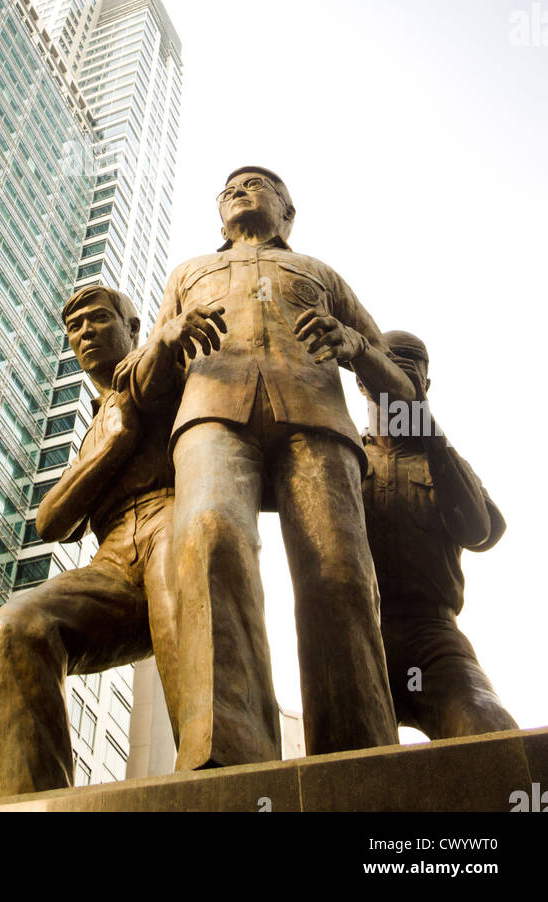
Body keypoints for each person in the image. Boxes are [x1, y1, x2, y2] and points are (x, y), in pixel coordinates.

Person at [115, 166, 415, 769]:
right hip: (210, 414)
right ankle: (228, 749)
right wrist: (167, 338)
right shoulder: (188, 273)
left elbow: (403, 388)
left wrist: (354, 348)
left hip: (317, 417)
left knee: (339, 572)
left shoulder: (319, 273)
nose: (235, 192)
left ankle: (359, 758)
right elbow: (138, 389)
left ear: (287, 211)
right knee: (211, 539)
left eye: (254, 184)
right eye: (226, 188)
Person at [0, 282, 224, 797]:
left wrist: (165, 341)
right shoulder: (99, 425)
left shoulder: (169, 370)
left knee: (182, 606)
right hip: (112, 561)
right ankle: (29, 803)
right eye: (75, 327)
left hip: (171, 520)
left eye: (97, 319)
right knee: (16, 628)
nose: (85, 333)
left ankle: (214, 781)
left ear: (132, 328)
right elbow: (52, 522)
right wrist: (113, 442)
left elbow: (168, 379)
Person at [360, 330, 518, 739]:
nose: (396, 390)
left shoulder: (446, 463)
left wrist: (426, 425)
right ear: (363, 379)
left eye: (411, 380)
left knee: (491, 730)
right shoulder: (343, 454)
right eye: (387, 374)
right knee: (339, 767)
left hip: (434, 639)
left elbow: (478, 531)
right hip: (359, 636)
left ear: (425, 387)